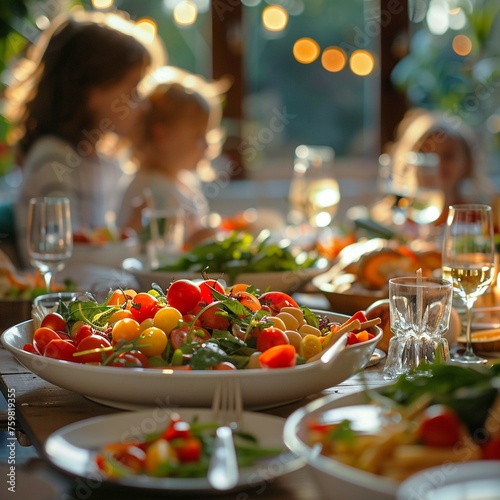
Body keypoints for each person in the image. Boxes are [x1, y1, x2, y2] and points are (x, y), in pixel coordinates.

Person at [6, 10, 166, 266]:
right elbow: (64, 259)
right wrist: (130, 234)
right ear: (91, 92)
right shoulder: (53, 159)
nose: (144, 106)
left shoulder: (104, 161)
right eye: (133, 90)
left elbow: (95, 240)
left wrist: (129, 230)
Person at [116, 66, 229, 247]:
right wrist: (194, 244)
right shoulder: (149, 191)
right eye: (199, 136)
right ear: (162, 136)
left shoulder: (185, 182)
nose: (207, 145)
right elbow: (150, 252)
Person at [371, 108, 493, 228]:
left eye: (448, 156)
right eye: (426, 156)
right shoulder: (393, 222)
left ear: (467, 163)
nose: (437, 164)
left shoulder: (481, 221)